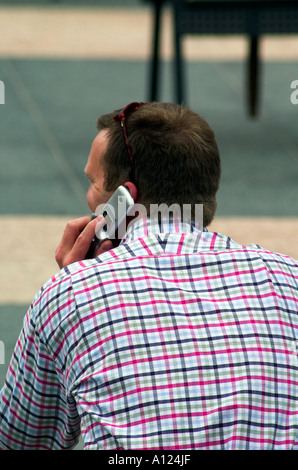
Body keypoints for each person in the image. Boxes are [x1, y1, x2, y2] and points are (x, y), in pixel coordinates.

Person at [0, 101, 298, 450]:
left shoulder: (69, 294)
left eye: (93, 182)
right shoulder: (288, 278)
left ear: (124, 199)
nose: (87, 196)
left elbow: (20, 440)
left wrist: (76, 291)